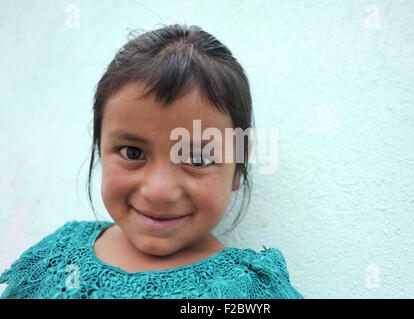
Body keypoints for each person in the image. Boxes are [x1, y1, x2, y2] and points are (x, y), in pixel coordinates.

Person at [0, 24, 303, 299]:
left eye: (196, 158)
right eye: (132, 153)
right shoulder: (55, 257)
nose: (159, 191)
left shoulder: (252, 293)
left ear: (238, 166)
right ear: (99, 147)